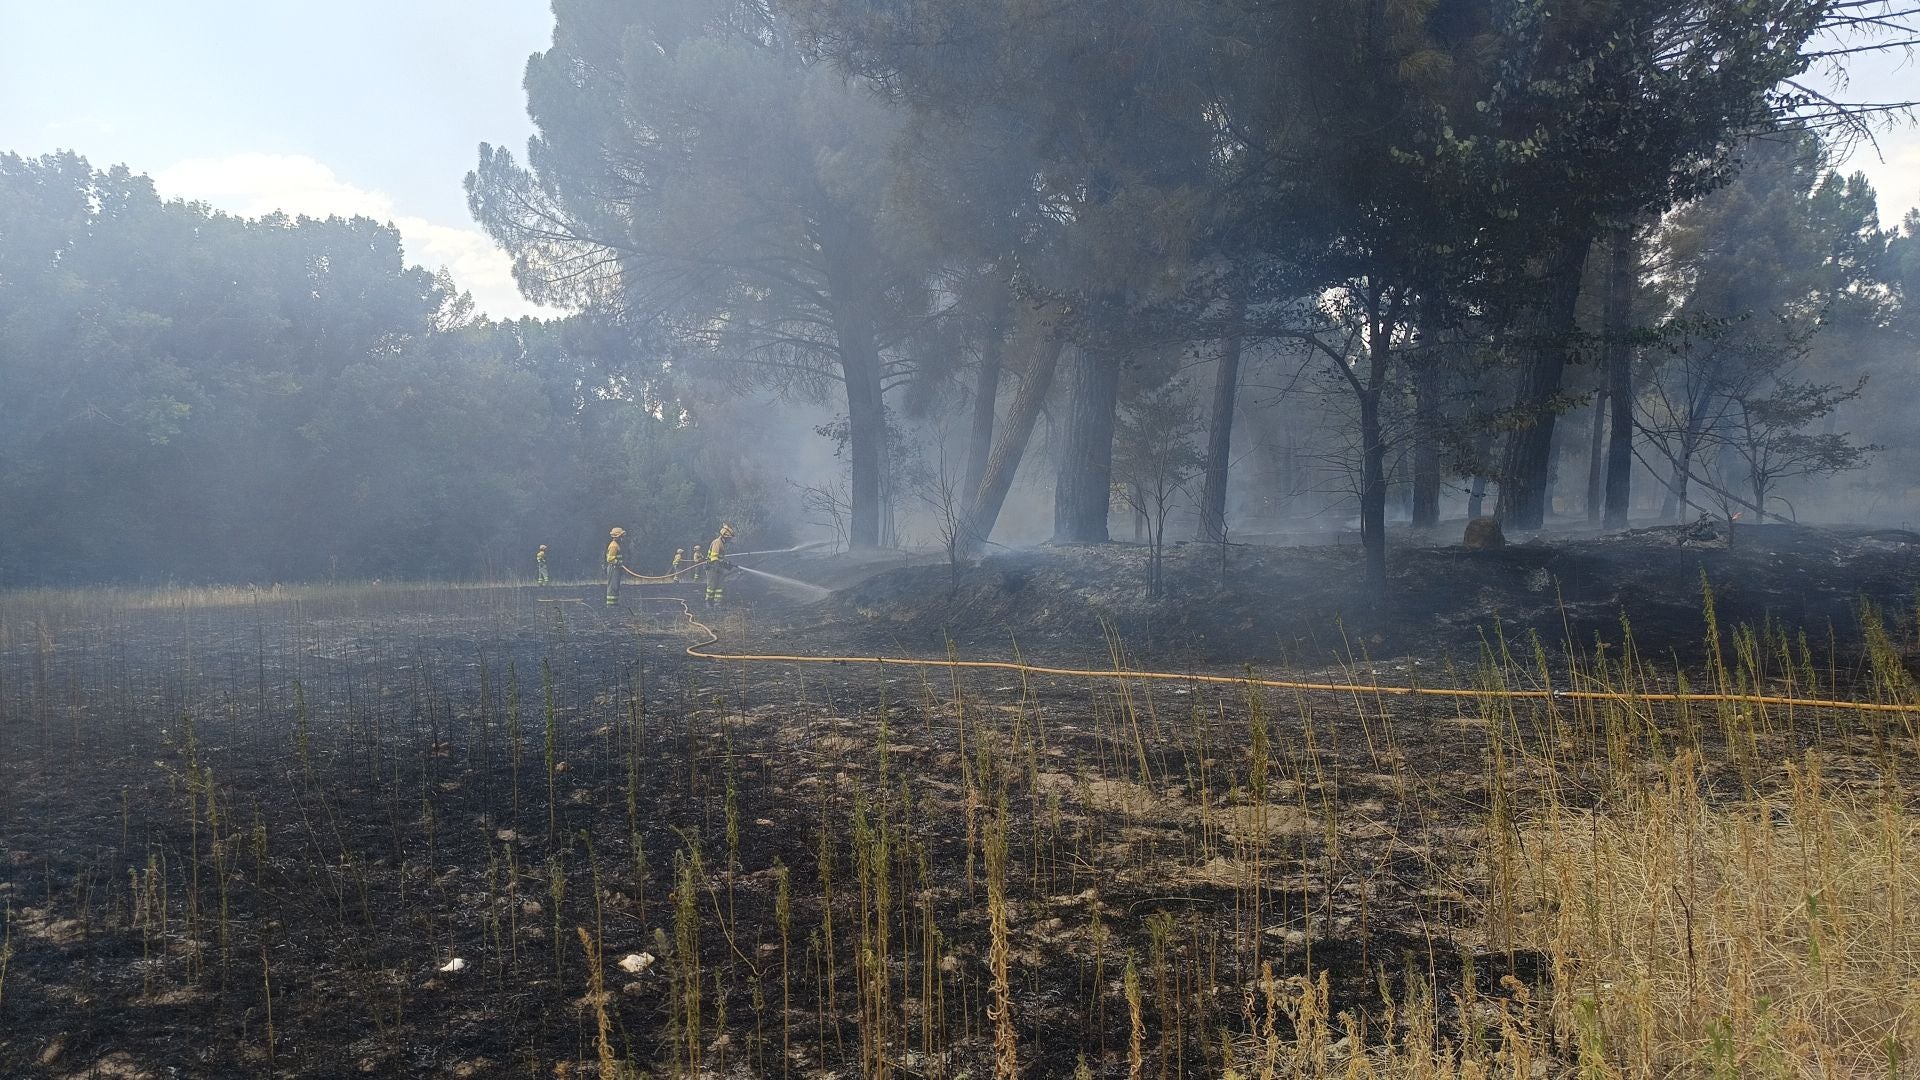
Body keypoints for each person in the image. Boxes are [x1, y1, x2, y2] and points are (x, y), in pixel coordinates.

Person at [704, 523, 735, 607]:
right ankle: (708, 602)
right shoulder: (717, 543)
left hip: (718, 568)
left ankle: (717, 603)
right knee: (712, 586)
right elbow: (714, 557)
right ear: (725, 536)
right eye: (729, 538)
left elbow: (720, 558)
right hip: (712, 568)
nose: (729, 540)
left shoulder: (722, 544)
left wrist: (726, 564)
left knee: (719, 586)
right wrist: (717, 567)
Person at [605, 527, 626, 605]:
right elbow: (610, 559)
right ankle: (611, 606)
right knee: (613, 587)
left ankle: (614, 604)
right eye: (622, 536)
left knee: (615, 586)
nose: (623, 538)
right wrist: (618, 562)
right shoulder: (614, 546)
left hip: (616, 568)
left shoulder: (616, 545)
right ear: (618, 536)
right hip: (613, 568)